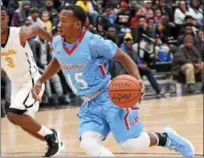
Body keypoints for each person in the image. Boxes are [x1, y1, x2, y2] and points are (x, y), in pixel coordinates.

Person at [32, 5, 194, 157]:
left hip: (110, 97)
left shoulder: (94, 42)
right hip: (89, 104)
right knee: (88, 143)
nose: (58, 24)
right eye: (59, 20)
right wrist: (41, 80)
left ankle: (166, 138)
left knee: (130, 145)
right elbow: (58, 60)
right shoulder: (58, 42)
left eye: (63, 21)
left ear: (77, 24)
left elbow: (123, 56)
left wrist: (137, 79)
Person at [1, 6, 63, 157]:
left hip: (32, 81)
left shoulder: (19, 33)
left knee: (12, 114)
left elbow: (37, 28)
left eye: (2, 18)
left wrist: (55, 42)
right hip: (16, 84)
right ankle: (53, 141)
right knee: (21, 120)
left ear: (8, 19)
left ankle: (51, 136)